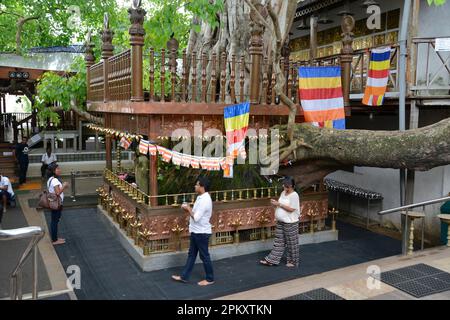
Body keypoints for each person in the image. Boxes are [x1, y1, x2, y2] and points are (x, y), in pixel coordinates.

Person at [172, 177, 215, 286]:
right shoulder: (201, 197)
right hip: (196, 231)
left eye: (197, 185)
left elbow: (196, 217)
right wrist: (188, 209)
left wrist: (188, 208)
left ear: (202, 187)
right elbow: (195, 214)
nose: (195, 186)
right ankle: (184, 276)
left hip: (201, 232)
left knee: (204, 256)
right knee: (192, 255)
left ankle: (210, 279)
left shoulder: (205, 200)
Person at [260, 176, 301, 267]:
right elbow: (280, 206)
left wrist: (279, 204)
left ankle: (293, 262)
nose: (283, 186)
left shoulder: (295, 195)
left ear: (290, 185)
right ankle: (272, 260)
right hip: (280, 221)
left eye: (284, 185)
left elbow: (291, 209)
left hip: (290, 223)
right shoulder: (283, 193)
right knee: (278, 242)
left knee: (291, 243)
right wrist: (275, 204)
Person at [47, 163, 68, 245]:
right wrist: (64, 186)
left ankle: (55, 237)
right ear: (53, 171)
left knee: (54, 220)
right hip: (56, 203)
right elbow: (58, 192)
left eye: (59, 168)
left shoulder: (50, 179)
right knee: (55, 221)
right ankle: (55, 240)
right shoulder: (55, 180)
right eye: (57, 169)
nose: (59, 170)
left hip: (53, 202)